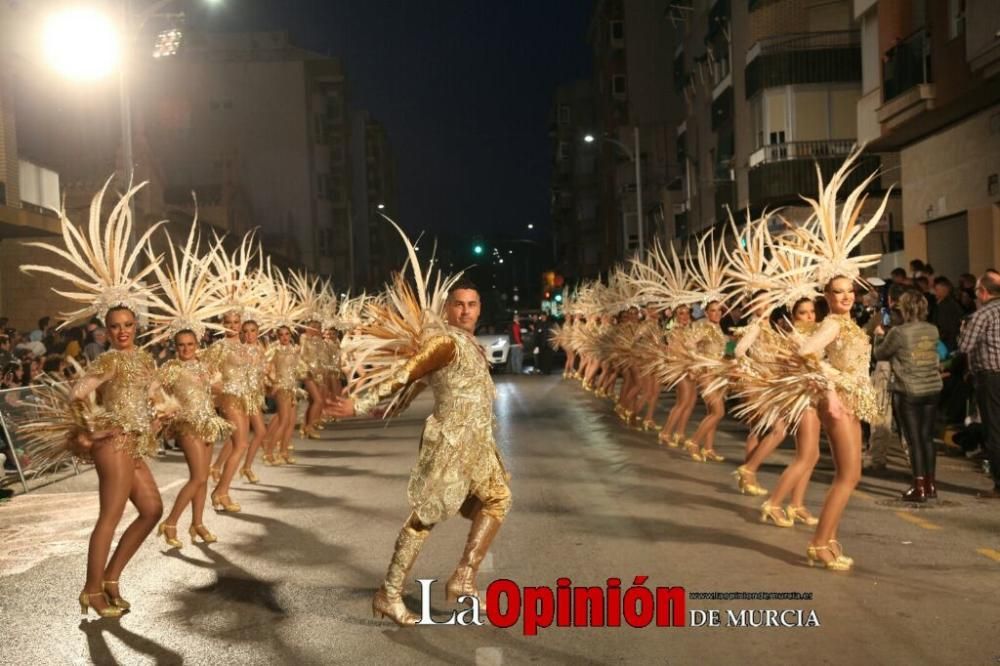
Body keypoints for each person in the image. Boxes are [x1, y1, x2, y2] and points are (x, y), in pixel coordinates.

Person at [330, 252, 510, 627]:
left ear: (479, 309)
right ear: (447, 309)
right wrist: (361, 404)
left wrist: (390, 410)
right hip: (451, 446)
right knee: (424, 518)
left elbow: (414, 387)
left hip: (477, 445)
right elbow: (406, 373)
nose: (465, 311)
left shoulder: (468, 345)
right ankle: (389, 594)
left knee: (497, 499)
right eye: (458, 305)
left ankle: (464, 575)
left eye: (472, 305)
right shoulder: (444, 343)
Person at [874, 290, 943, 501]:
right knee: (927, 439)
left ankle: (918, 485)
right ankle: (930, 485)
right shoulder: (932, 329)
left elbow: (880, 354)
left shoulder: (898, 332)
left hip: (909, 390)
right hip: (932, 388)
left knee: (914, 441)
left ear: (904, 308)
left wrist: (878, 337)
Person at [958, 271, 1000, 499]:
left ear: (983, 292)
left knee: (994, 428)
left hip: (991, 377)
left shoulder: (982, 314)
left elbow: (965, 346)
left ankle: (999, 484)